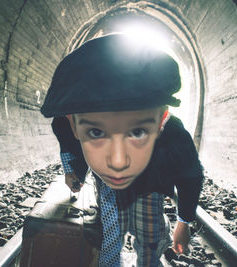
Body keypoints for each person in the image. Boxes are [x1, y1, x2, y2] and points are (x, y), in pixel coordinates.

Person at [40, 34, 204, 267]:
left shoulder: (173, 134)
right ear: (73, 122)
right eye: (97, 132)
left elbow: (190, 176)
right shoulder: (65, 124)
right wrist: (71, 170)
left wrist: (184, 222)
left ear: (161, 120)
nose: (118, 161)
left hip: (149, 183)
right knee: (110, 233)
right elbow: (64, 136)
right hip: (108, 186)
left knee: (150, 236)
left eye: (137, 132)